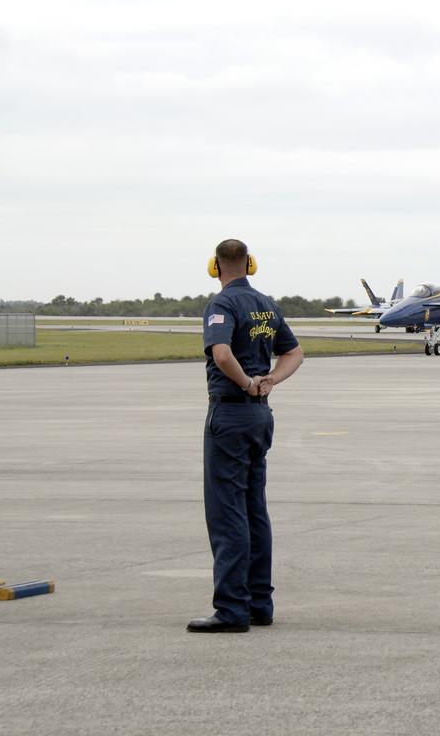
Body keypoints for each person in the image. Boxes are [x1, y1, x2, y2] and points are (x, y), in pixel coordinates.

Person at [188, 239, 304, 633]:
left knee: (227, 511)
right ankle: (260, 603)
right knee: (255, 507)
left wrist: (247, 383)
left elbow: (221, 354)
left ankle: (232, 609)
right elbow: (295, 353)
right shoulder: (267, 305)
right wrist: (270, 381)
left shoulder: (222, 305)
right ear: (251, 264)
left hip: (232, 412)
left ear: (215, 267)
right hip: (259, 417)